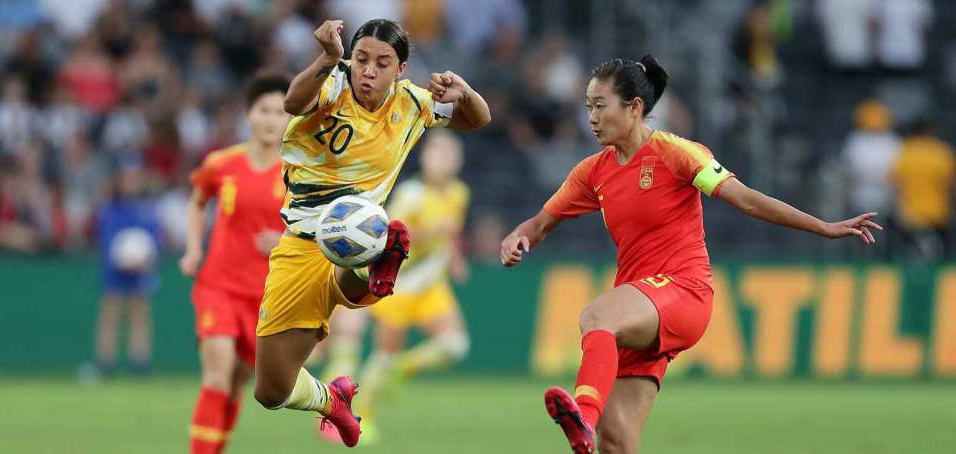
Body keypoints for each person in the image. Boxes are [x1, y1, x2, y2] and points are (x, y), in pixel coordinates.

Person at [500, 55, 881, 454]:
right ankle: (590, 428)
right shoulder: (592, 172)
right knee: (616, 444)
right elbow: (539, 224)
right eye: (588, 107)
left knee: (597, 317)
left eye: (600, 105)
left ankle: (584, 415)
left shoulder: (675, 152)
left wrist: (823, 227)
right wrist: (516, 237)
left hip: (684, 291)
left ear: (634, 107)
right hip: (640, 307)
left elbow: (746, 200)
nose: (591, 118)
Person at [252, 18, 490, 448]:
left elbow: (477, 119)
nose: (368, 71)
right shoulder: (333, 81)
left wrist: (465, 93)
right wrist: (329, 57)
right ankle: (332, 400)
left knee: (355, 251)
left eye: (382, 63)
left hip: (357, 232)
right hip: (300, 245)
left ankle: (374, 264)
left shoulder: (413, 103)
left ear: (401, 69)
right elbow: (293, 102)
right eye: (361, 59)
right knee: (271, 390)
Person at [179, 73, 292, 454]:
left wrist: (284, 241)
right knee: (217, 374)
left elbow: (313, 231)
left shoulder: (298, 172)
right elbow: (198, 201)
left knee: (236, 384)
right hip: (219, 286)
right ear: (249, 114)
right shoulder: (222, 163)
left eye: (280, 112)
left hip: (265, 298)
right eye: (264, 110)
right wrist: (193, 249)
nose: (271, 119)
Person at [346, 130, 471, 443]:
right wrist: (431, 232)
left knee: (455, 345)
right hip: (399, 284)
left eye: (449, 155)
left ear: (458, 162)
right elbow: (392, 240)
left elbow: (452, 232)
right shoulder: (411, 194)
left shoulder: (459, 193)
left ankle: (404, 367)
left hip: (431, 282)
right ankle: (362, 418)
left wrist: (456, 259)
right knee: (383, 356)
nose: (443, 160)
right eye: (437, 153)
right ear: (425, 158)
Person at [94, 157, 162, 378]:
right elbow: (106, 239)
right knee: (110, 316)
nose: (131, 182)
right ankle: (106, 363)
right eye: (127, 178)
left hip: (141, 273)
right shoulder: (111, 209)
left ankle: (139, 363)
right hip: (115, 273)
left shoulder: (148, 209)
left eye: (135, 178)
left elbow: (156, 240)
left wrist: (145, 259)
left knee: (139, 317)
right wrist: (120, 260)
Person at [890, 117, 955, 259]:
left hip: (910, 213)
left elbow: (896, 183)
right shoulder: (941, 151)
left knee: (912, 255)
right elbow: (950, 184)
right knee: (940, 258)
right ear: (931, 131)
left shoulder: (905, 152)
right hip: (938, 212)